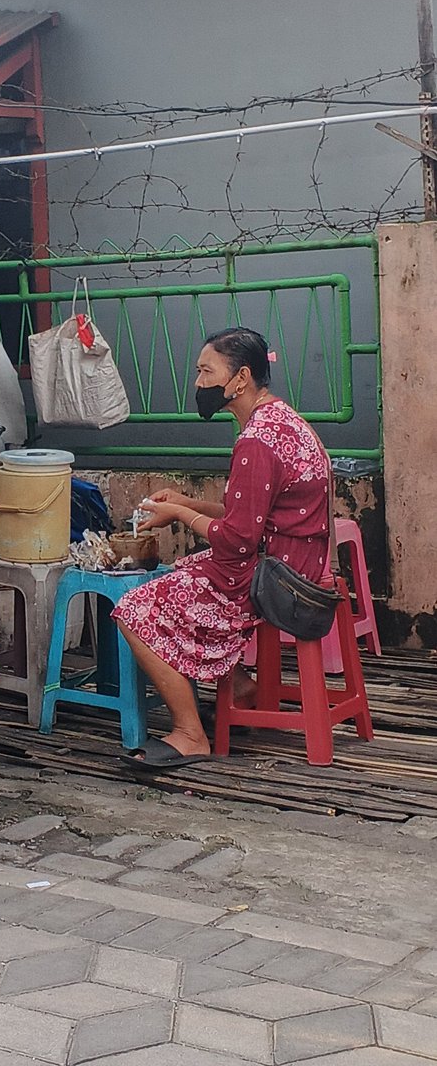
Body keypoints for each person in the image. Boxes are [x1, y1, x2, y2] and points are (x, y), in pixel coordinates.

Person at [112, 326, 331, 770]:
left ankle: (190, 735)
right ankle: (241, 687)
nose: (199, 383)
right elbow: (249, 511)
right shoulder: (282, 420)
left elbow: (236, 541)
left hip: (276, 578)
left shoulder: (255, 441)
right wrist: (189, 502)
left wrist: (180, 516)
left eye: (206, 372)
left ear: (240, 378)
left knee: (135, 609)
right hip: (296, 560)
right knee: (183, 574)